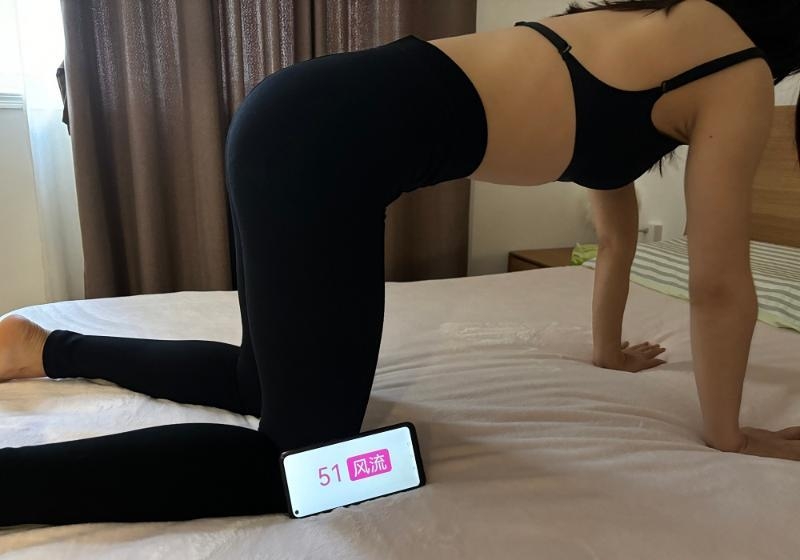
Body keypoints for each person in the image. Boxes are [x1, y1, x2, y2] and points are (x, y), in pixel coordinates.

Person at [0, 0, 799, 527]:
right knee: (302, 460)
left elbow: (617, 239)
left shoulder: (643, 29)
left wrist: (606, 352)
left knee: (260, 381)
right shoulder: (738, 72)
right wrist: (728, 436)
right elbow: (718, 284)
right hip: (321, 148)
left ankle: (44, 347)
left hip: (286, 114)